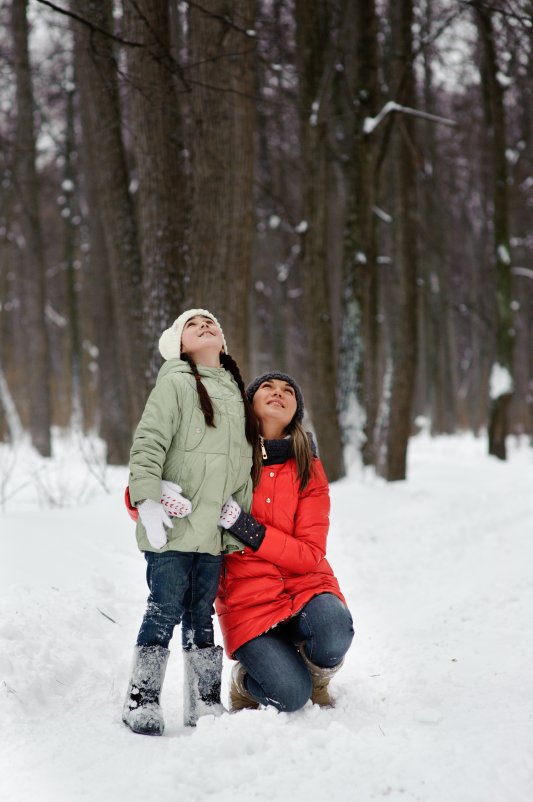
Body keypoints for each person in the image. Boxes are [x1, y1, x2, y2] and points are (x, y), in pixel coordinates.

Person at [122, 309, 259, 735]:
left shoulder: (237, 393)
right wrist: (147, 497)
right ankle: (141, 699)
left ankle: (203, 701)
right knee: (164, 608)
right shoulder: (176, 383)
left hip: (211, 535)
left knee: (201, 614)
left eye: (211, 323)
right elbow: (149, 441)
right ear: (180, 345)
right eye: (192, 325)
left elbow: (241, 463)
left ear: (222, 341)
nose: (204, 325)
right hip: (171, 525)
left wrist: (237, 516)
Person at [215, 372, 354, 713]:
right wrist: (145, 498)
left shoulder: (308, 466)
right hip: (249, 604)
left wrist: (248, 529)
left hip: (306, 588)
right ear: (249, 403)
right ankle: (246, 680)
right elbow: (163, 492)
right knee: (290, 696)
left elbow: (309, 555)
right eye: (267, 387)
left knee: (335, 628)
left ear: (295, 411)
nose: (278, 393)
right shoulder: (221, 455)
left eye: (288, 391)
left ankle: (315, 678)